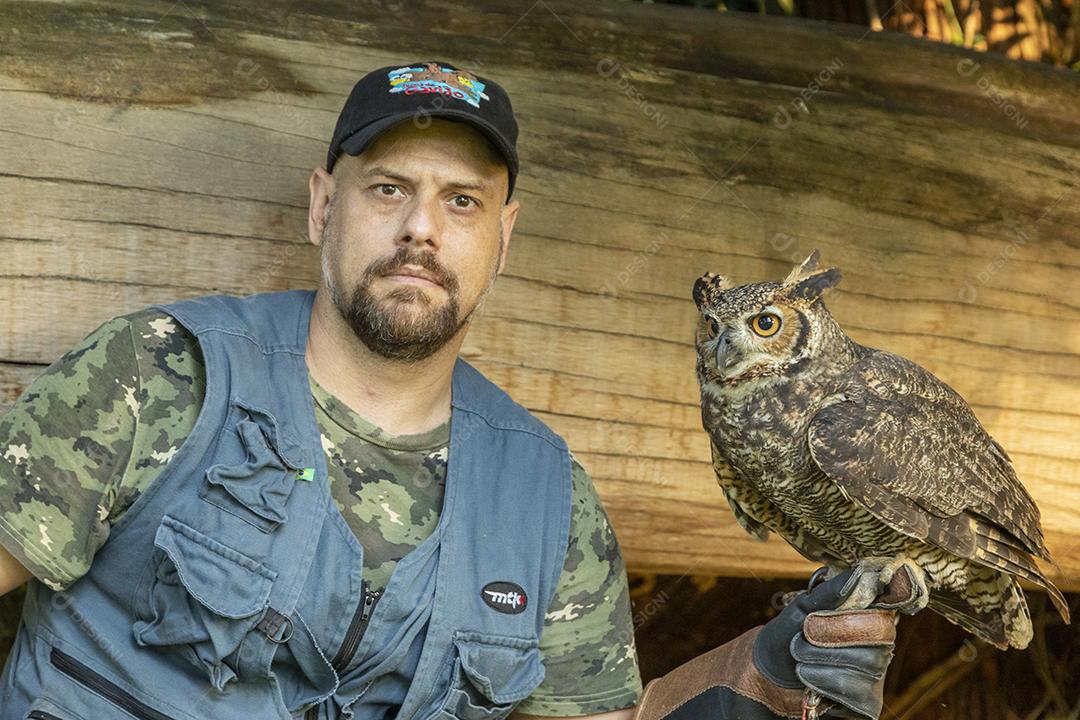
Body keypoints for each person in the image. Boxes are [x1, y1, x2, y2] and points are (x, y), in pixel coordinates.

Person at [0, 61, 900, 720]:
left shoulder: (546, 503)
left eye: (462, 201)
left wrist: (758, 689)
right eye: (388, 187)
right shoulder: (161, 374)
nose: (421, 229)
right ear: (324, 206)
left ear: (504, 236)